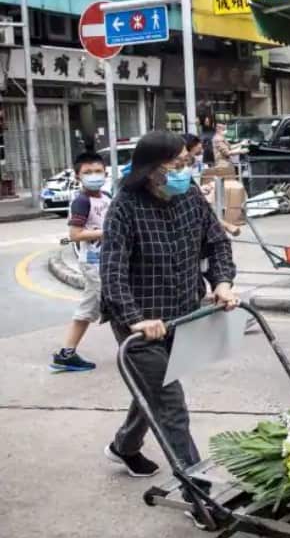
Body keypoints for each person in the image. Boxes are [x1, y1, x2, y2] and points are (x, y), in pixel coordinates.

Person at [100, 130, 238, 507]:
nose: (184, 170)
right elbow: (112, 272)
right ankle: (199, 494)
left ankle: (124, 445)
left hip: (182, 313)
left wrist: (222, 283)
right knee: (170, 403)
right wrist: (135, 319)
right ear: (150, 169)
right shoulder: (125, 206)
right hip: (141, 324)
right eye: (176, 165)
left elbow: (216, 241)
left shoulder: (190, 195)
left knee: (155, 391)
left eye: (187, 163)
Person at [49, 151, 111, 372]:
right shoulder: (81, 202)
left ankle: (67, 354)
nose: (94, 175)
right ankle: (66, 354)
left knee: (96, 307)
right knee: (102, 304)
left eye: (98, 171)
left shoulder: (106, 196)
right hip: (93, 263)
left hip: (107, 261)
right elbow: (75, 234)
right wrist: (107, 232)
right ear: (78, 176)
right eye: (88, 172)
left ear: (105, 172)